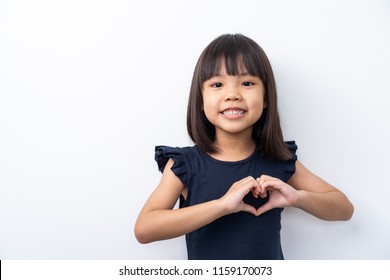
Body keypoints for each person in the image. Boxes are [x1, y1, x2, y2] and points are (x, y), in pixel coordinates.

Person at [134, 33, 354, 260]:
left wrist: (297, 198)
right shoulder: (184, 165)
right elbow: (144, 229)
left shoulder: (279, 160)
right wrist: (221, 206)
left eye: (247, 83)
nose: (232, 95)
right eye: (217, 84)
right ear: (200, 99)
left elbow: (344, 208)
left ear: (266, 97)